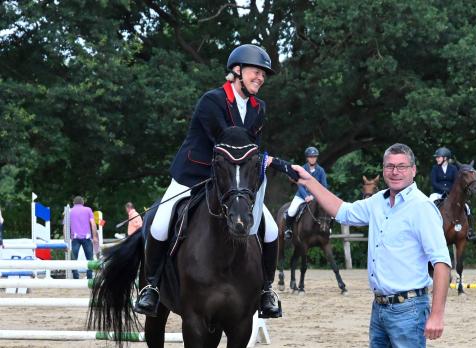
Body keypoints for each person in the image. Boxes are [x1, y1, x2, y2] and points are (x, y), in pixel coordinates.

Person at [134, 44, 291, 319]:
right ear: (237, 71)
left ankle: (266, 291)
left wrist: (273, 162)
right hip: (194, 175)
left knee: (271, 231)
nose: (261, 78)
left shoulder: (258, 108)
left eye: (264, 75)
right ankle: (152, 286)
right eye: (256, 72)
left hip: (233, 182)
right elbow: (227, 140)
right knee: (160, 222)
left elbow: (252, 149)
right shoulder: (212, 100)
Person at [292, 143, 451, 347]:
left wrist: (437, 315)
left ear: (413, 170)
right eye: (389, 166)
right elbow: (343, 211)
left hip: (409, 309)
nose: (395, 172)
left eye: (401, 166)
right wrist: (309, 182)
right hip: (379, 307)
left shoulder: (422, 207)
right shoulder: (378, 201)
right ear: (383, 170)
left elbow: (441, 263)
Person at [429, 147, 475, 239]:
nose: (436, 159)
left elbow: (456, 181)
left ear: (445, 158)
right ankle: (429, 228)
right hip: (438, 193)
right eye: (437, 157)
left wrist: (451, 190)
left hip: (451, 194)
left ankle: (470, 230)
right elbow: (434, 182)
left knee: (467, 207)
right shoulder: (435, 168)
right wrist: (443, 188)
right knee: (429, 203)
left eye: (438, 157)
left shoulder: (453, 168)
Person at [283, 146, 328, 240]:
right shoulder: (302, 169)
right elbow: (300, 185)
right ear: (307, 158)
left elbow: (324, 186)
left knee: (327, 211)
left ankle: (328, 228)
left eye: (314, 157)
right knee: (291, 210)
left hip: (316, 196)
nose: (313, 158)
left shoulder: (321, 171)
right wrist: (306, 196)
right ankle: (288, 230)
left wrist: (315, 195)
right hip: (301, 195)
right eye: (311, 157)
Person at [69, 196, 98, 279]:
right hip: (87, 237)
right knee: (90, 258)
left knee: (74, 258)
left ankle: (75, 276)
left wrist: (66, 240)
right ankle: (89, 277)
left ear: (73, 203)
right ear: (83, 203)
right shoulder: (88, 209)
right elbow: (93, 223)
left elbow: (65, 226)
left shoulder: (70, 211)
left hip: (75, 238)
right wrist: (95, 236)